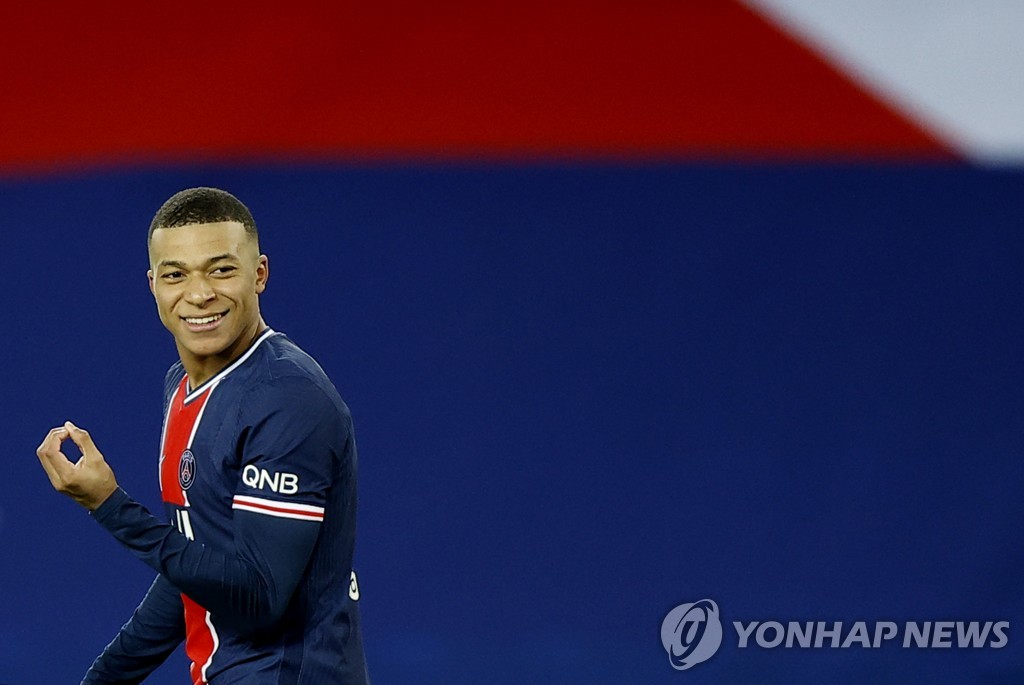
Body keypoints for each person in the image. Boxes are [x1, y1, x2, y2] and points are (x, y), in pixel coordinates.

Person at [35, 187, 370, 685]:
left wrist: (110, 506)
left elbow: (257, 600)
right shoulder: (183, 385)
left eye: (221, 270)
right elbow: (194, 573)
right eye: (176, 275)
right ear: (153, 285)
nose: (198, 294)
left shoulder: (288, 398)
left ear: (259, 275)